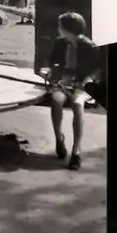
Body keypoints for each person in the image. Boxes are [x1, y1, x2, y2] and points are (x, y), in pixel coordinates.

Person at [41, 12, 101, 171]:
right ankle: (59, 138)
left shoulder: (89, 46)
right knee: (56, 100)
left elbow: (98, 68)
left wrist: (89, 79)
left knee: (77, 104)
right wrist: (49, 70)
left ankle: (76, 151)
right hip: (64, 80)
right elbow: (53, 61)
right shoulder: (60, 42)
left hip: (82, 82)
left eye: (61, 27)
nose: (58, 29)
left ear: (70, 29)